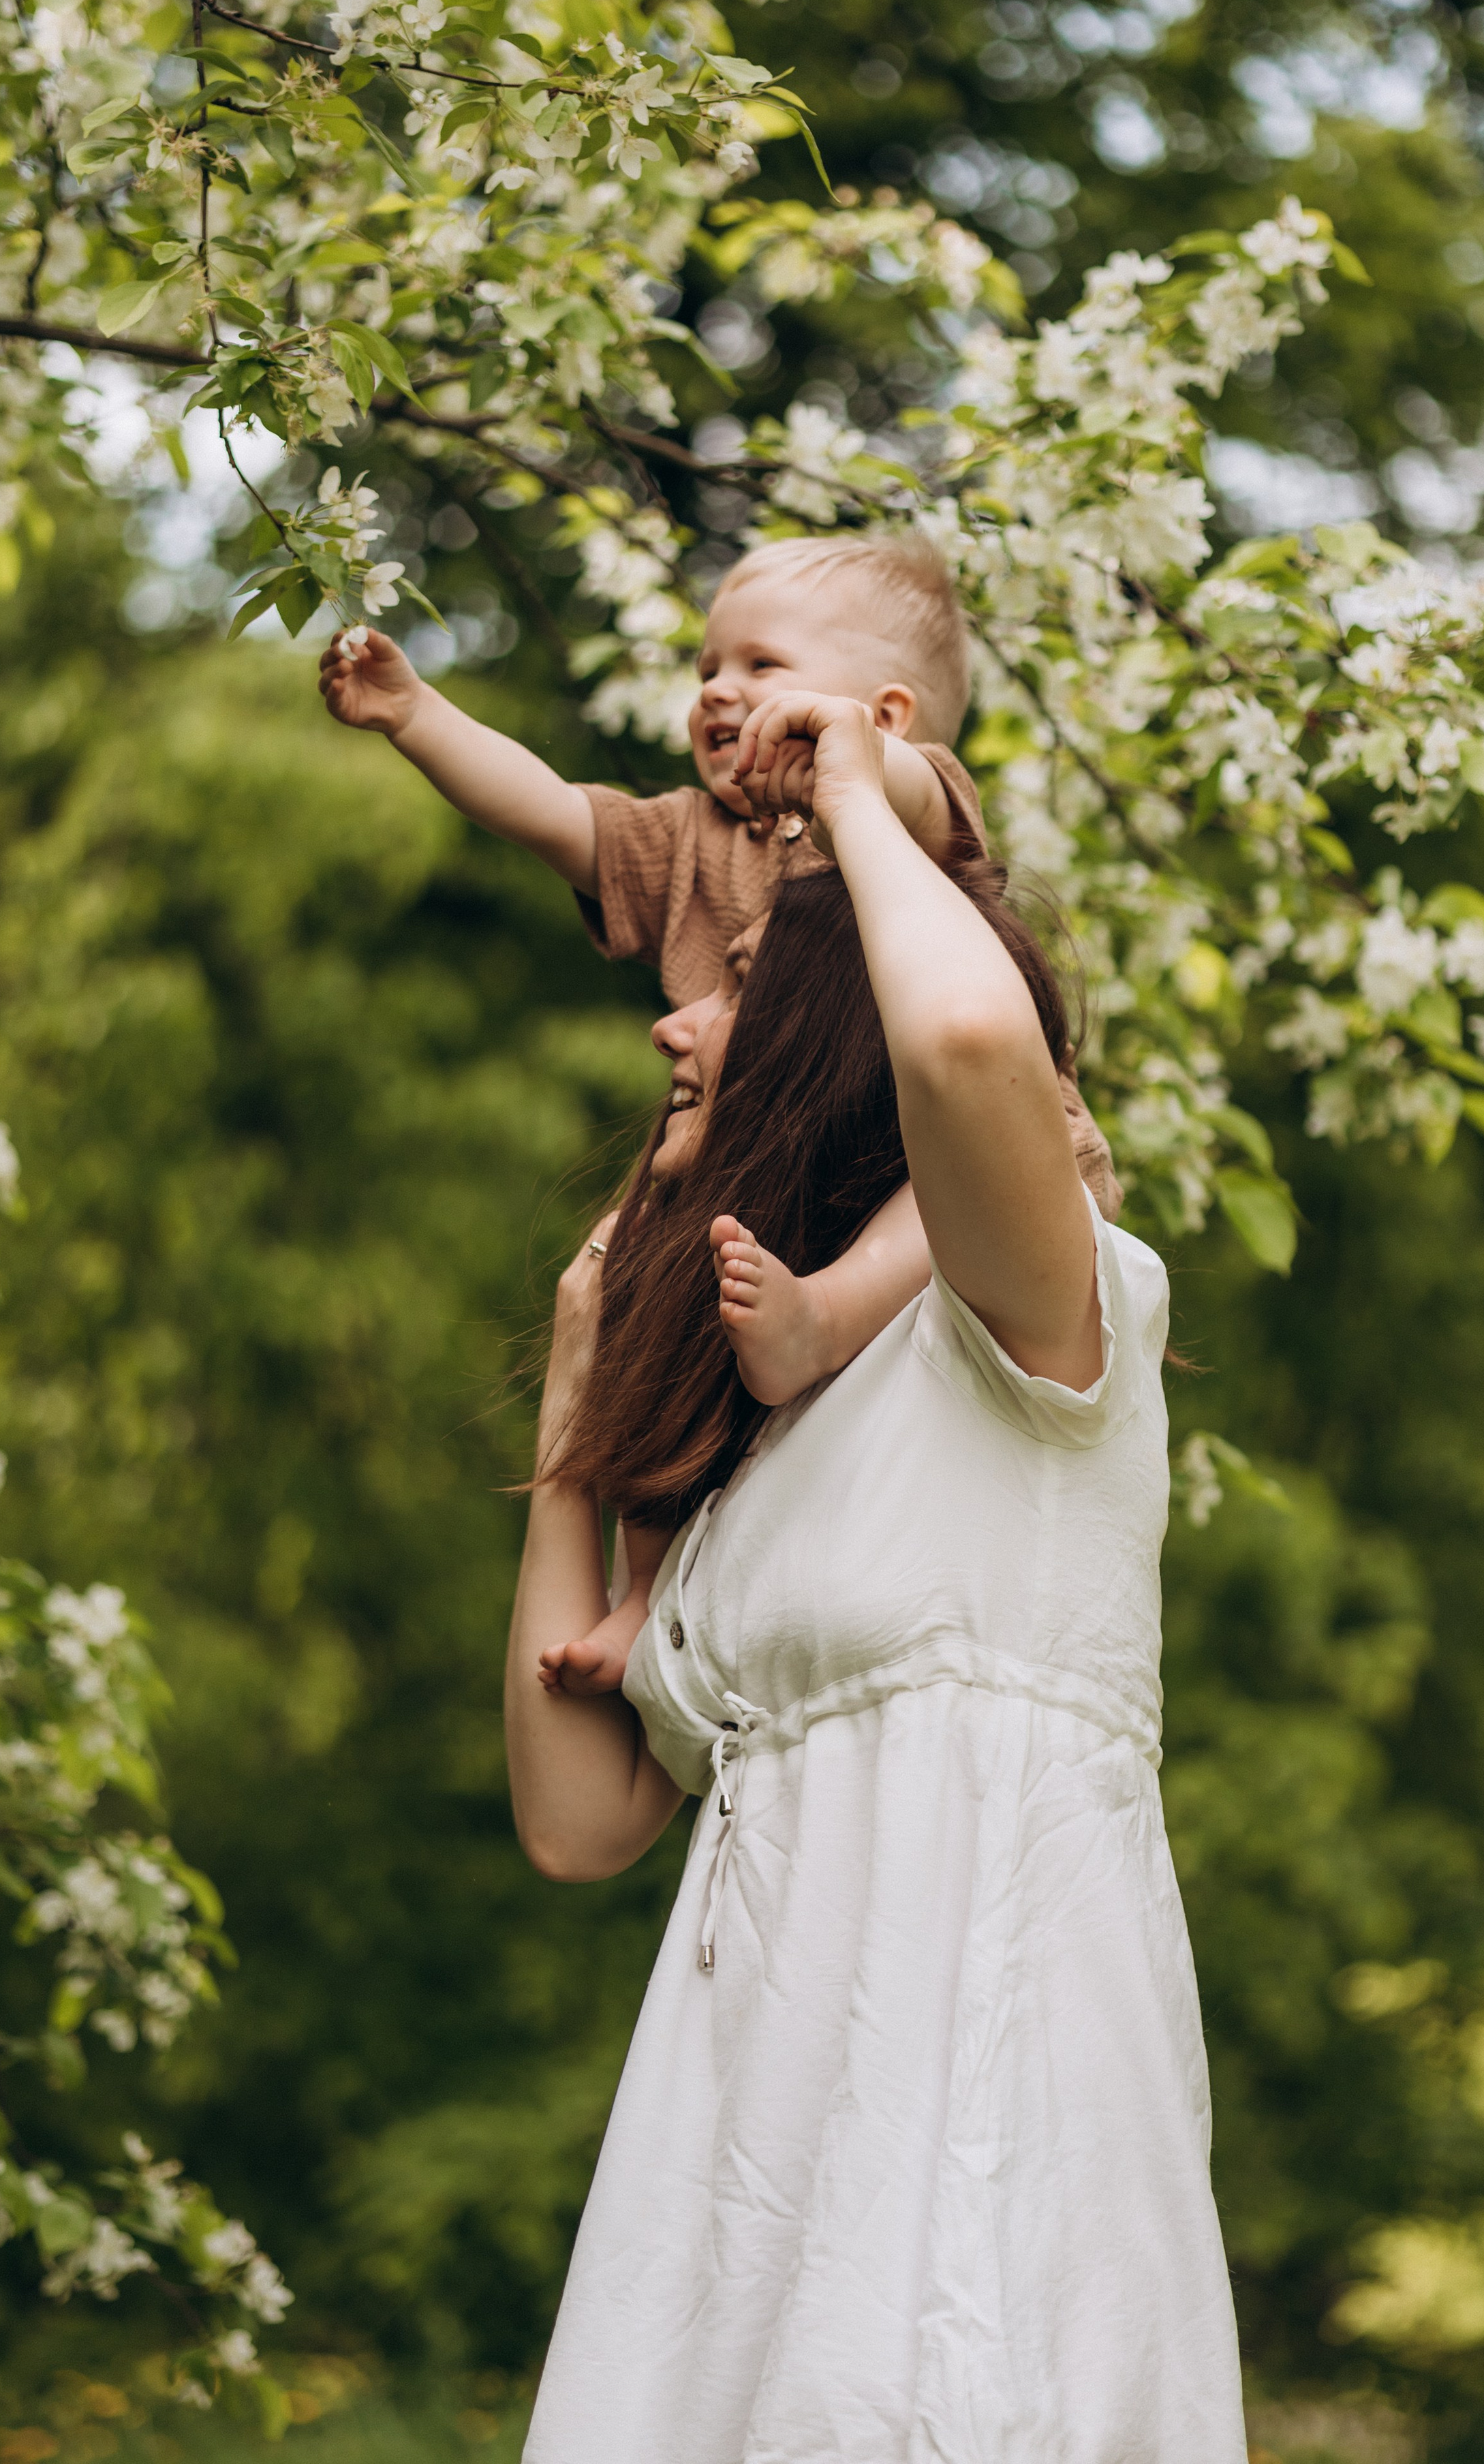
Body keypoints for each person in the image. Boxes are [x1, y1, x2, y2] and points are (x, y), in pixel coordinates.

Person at [504, 693, 1248, 2461]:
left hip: (963, 2139)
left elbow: (981, 1055)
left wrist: (854, 784)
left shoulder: (1018, 1316)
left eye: (739, 973)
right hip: (732, 2186)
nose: (678, 1017)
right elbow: (577, 1816)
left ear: (835, 1035)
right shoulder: (765, 1467)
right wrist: (571, 1400)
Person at [318, 534, 1117, 1432]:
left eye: (761, 663)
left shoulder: (905, 814)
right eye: (708, 666)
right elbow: (552, 810)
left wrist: (847, 766)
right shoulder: (691, 840)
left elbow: (917, 795)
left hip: (948, 1156)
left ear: (885, 716)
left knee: (935, 1193)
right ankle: (649, 1558)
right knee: (660, 1287)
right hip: (779, 1175)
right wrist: (417, 715)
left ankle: (826, 1320)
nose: (716, 688)